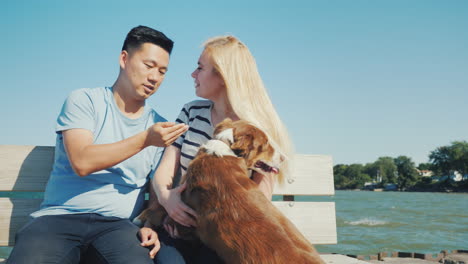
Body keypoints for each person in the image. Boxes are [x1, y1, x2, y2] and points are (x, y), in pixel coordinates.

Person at [7, 25, 188, 264]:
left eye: (163, 71)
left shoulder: (160, 126)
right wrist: (145, 139)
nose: (155, 77)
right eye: (148, 65)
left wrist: (150, 224)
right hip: (58, 219)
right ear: (124, 59)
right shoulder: (84, 101)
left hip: (118, 227)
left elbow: (156, 188)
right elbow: (82, 161)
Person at [151, 35, 294, 263]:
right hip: (181, 229)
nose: (193, 75)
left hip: (226, 234)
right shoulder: (191, 112)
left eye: (200, 68)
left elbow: (260, 199)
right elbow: (165, 170)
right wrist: (169, 201)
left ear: (223, 76)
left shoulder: (256, 131)